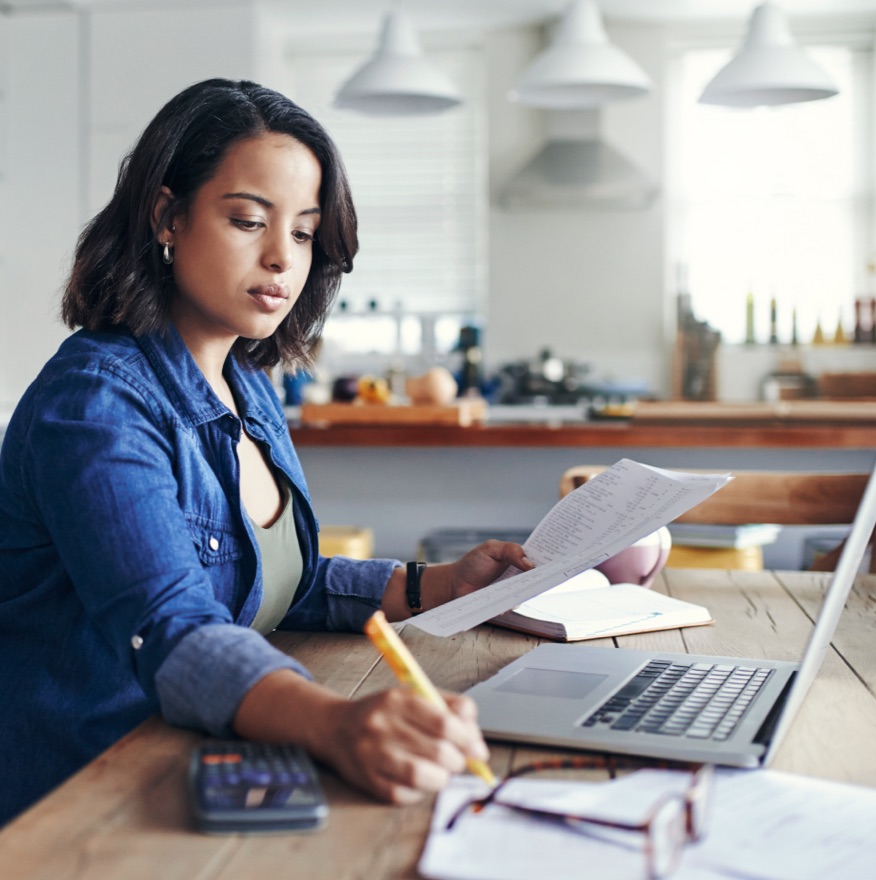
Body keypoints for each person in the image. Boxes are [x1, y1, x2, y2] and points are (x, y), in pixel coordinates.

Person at [0, 78, 531, 826]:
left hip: (191, 760)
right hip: (84, 797)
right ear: (167, 216)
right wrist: (337, 721)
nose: (283, 258)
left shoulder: (248, 386)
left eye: (306, 232)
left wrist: (438, 585)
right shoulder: (95, 407)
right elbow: (176, 625)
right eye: (249, 220)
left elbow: (271, 582)